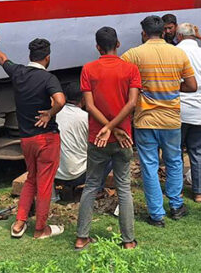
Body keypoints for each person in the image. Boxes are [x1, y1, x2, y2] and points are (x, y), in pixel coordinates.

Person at [0, 28, 66, 239]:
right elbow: (60, 101)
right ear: (47, 58)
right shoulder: (49, 79)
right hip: (47, 139)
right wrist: (49, 113)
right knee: (45, 183)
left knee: (31, 178)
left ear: (30, 56)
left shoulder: (18, 72)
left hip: (26, 139)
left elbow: (3, 59)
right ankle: (41, 229)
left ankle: (19, 223)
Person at [121, 15, 198, 227]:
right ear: (164, 32)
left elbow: (120, 76)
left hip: (145, 120)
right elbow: (192, 86)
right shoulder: (178, 53)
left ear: (144, 33)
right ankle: (176, 205)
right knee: (174, 162)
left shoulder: (134, 54)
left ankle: (156, 214)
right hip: (171, 119)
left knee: (149, 165)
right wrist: (173, 87)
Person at [75, 27, 141, 250]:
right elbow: (131, 104)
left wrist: (106, 129)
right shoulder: (130, 69)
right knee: (124, 188)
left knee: (92, 185)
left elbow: (90, 106)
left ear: (97, 47)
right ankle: (128, 241)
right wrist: (116, 129)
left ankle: (82, 237)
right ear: (118, 44)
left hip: (97, 138)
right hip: (123, 139)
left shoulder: (88, 69)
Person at [175, 23, 201, 203]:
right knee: (198, 151)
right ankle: (199, 193)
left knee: (175, 152)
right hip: (200, 110)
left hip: (176, 110)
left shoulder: (173, 53)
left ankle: (176, 190)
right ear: (195, 36)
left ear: (179, 36)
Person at [54, 86, 89, 197]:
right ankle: (95, 189)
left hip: (56, 175)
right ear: (83, 99)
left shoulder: (55, 114)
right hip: (78, 176)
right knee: (110, 158)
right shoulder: (86, 117)